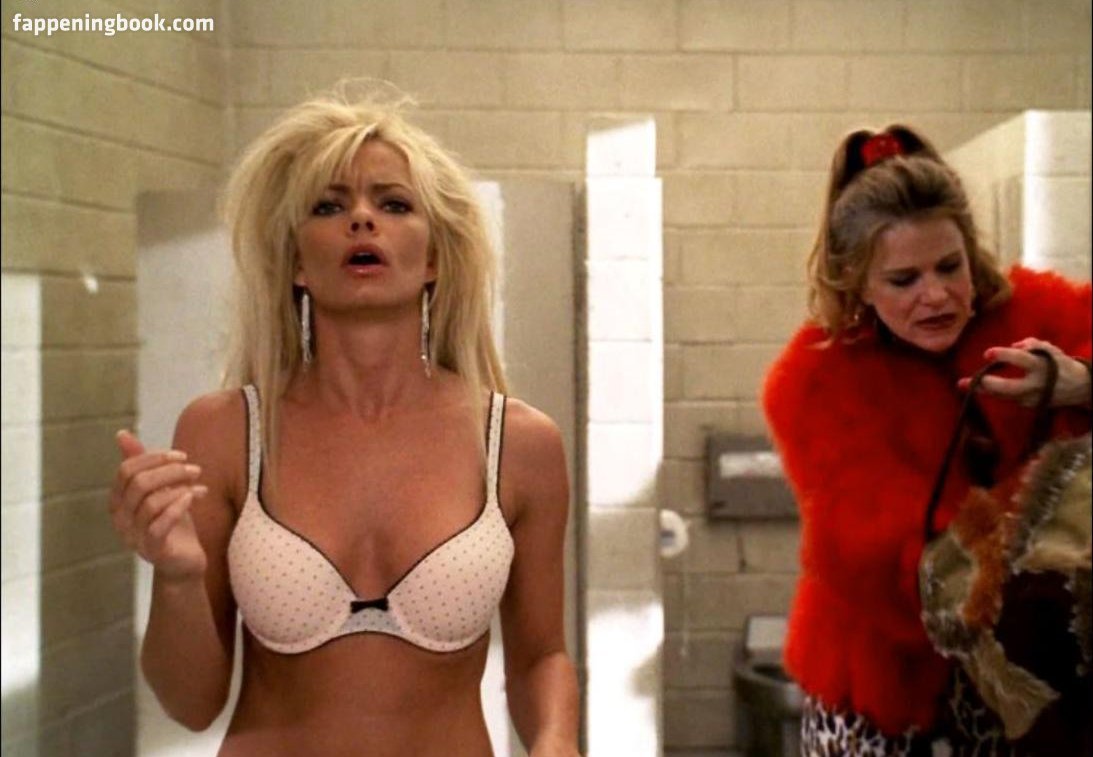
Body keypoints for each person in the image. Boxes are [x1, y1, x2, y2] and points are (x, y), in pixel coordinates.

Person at [108, 86, 580, 757]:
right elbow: (190, 703)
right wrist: (178, 577)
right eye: (329, 206)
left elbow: (539, 657)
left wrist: (557, 743)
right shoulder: (224, 432)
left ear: (434, 258)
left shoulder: (519, 444)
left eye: (393, 204)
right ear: (297, 263)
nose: (362, 219)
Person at [762, 124, 1091, 755]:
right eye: (903, 280)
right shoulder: (819, 380)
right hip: (885, 696)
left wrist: (1080, 382)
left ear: (971, 252)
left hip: (1031, 685)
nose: (935, 296)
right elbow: (877, 552)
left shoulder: (1031, 313)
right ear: (857, 282)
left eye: (949, 267)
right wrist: (1029, 546)